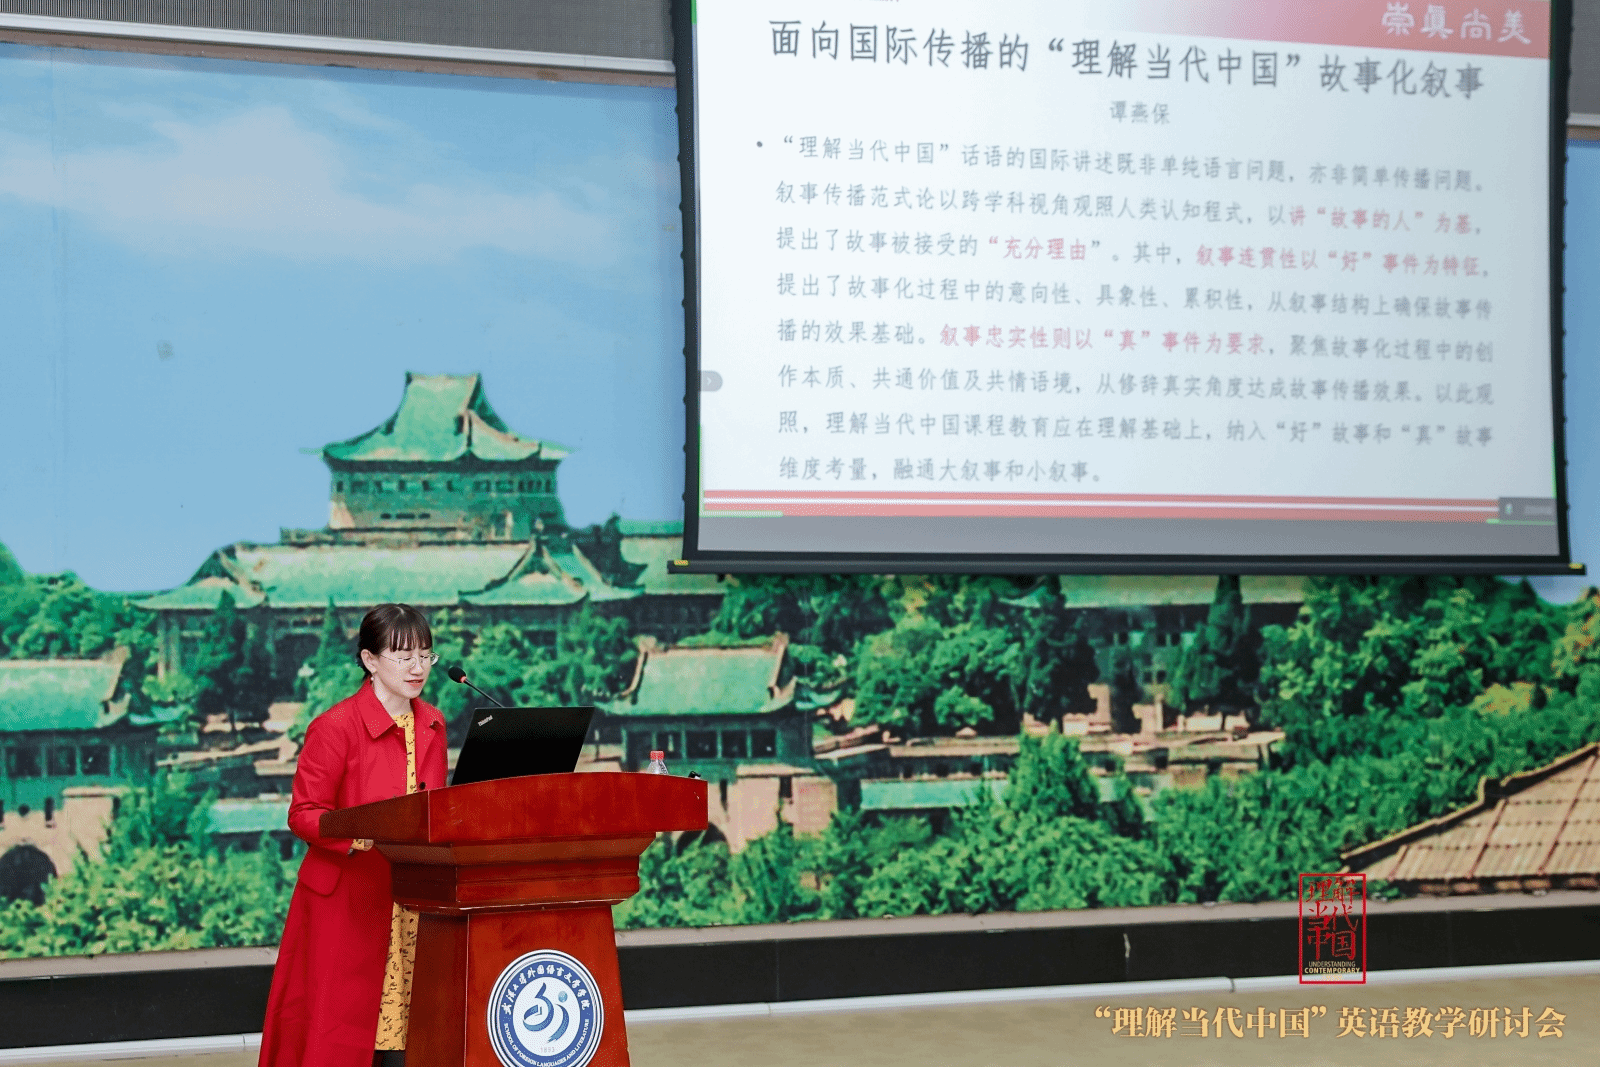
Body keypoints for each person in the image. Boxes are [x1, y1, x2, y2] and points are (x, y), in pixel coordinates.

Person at [259, 603, 448, 1067]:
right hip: (347, 900)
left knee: (410, 1038)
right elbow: (304, 814)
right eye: (404, 657)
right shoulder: (334, 727)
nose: (418, 668)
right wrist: (360, 835)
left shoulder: (433, 722)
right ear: (369, 660)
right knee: (341, 1037)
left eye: (425, 655)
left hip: (412, 899)